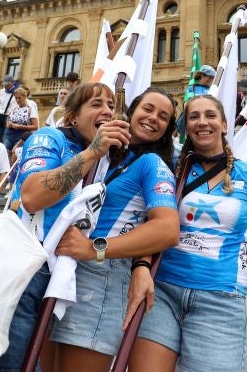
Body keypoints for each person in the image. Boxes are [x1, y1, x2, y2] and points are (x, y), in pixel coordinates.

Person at [0, 82, 130, 372]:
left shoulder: (102, 160)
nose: (107, 110)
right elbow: (33, 197)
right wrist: (93, 151)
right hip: (16, 272)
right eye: (96, 104)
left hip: (48, 277)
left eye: (110, 105)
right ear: (72, 116)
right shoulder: (50, 138)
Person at [129, 94, 247, 372]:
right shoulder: (171, 170)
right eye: (194, 117)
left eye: (210, 115)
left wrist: (243, 270)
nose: (203, 122)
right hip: (161, 292)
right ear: (186, 127)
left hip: (220, 301)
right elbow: (147, 220)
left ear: (224, 124)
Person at [39, 88, 181, 372]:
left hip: (101, 275)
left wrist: (95, 248)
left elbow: (167, 230)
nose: (153, 118)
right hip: (64, 269)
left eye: (163, 117)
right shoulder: (104, 152)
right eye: (148, 109)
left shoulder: (153, 163)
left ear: (167, 130)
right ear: (131, 112)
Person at [3, 87, 39, 153]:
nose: (17, 100)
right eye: (16, 98)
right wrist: (9, 124)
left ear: (25, 97)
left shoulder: (30, 108)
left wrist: (20, 126)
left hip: (21, 135)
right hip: (9, 134)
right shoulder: (13, 108)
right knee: (5, 151)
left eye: (19, 98)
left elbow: (35, 126)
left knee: (15, 153)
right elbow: (8, 120)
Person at [0, 75, 19, 142]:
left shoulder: (17, 92)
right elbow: (0, 104)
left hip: (9, 117)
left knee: (6, 138)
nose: (5, 86)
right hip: (1, 117)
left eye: (7, 85)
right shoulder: (1, 91)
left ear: (13, 83)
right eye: (4, 84)